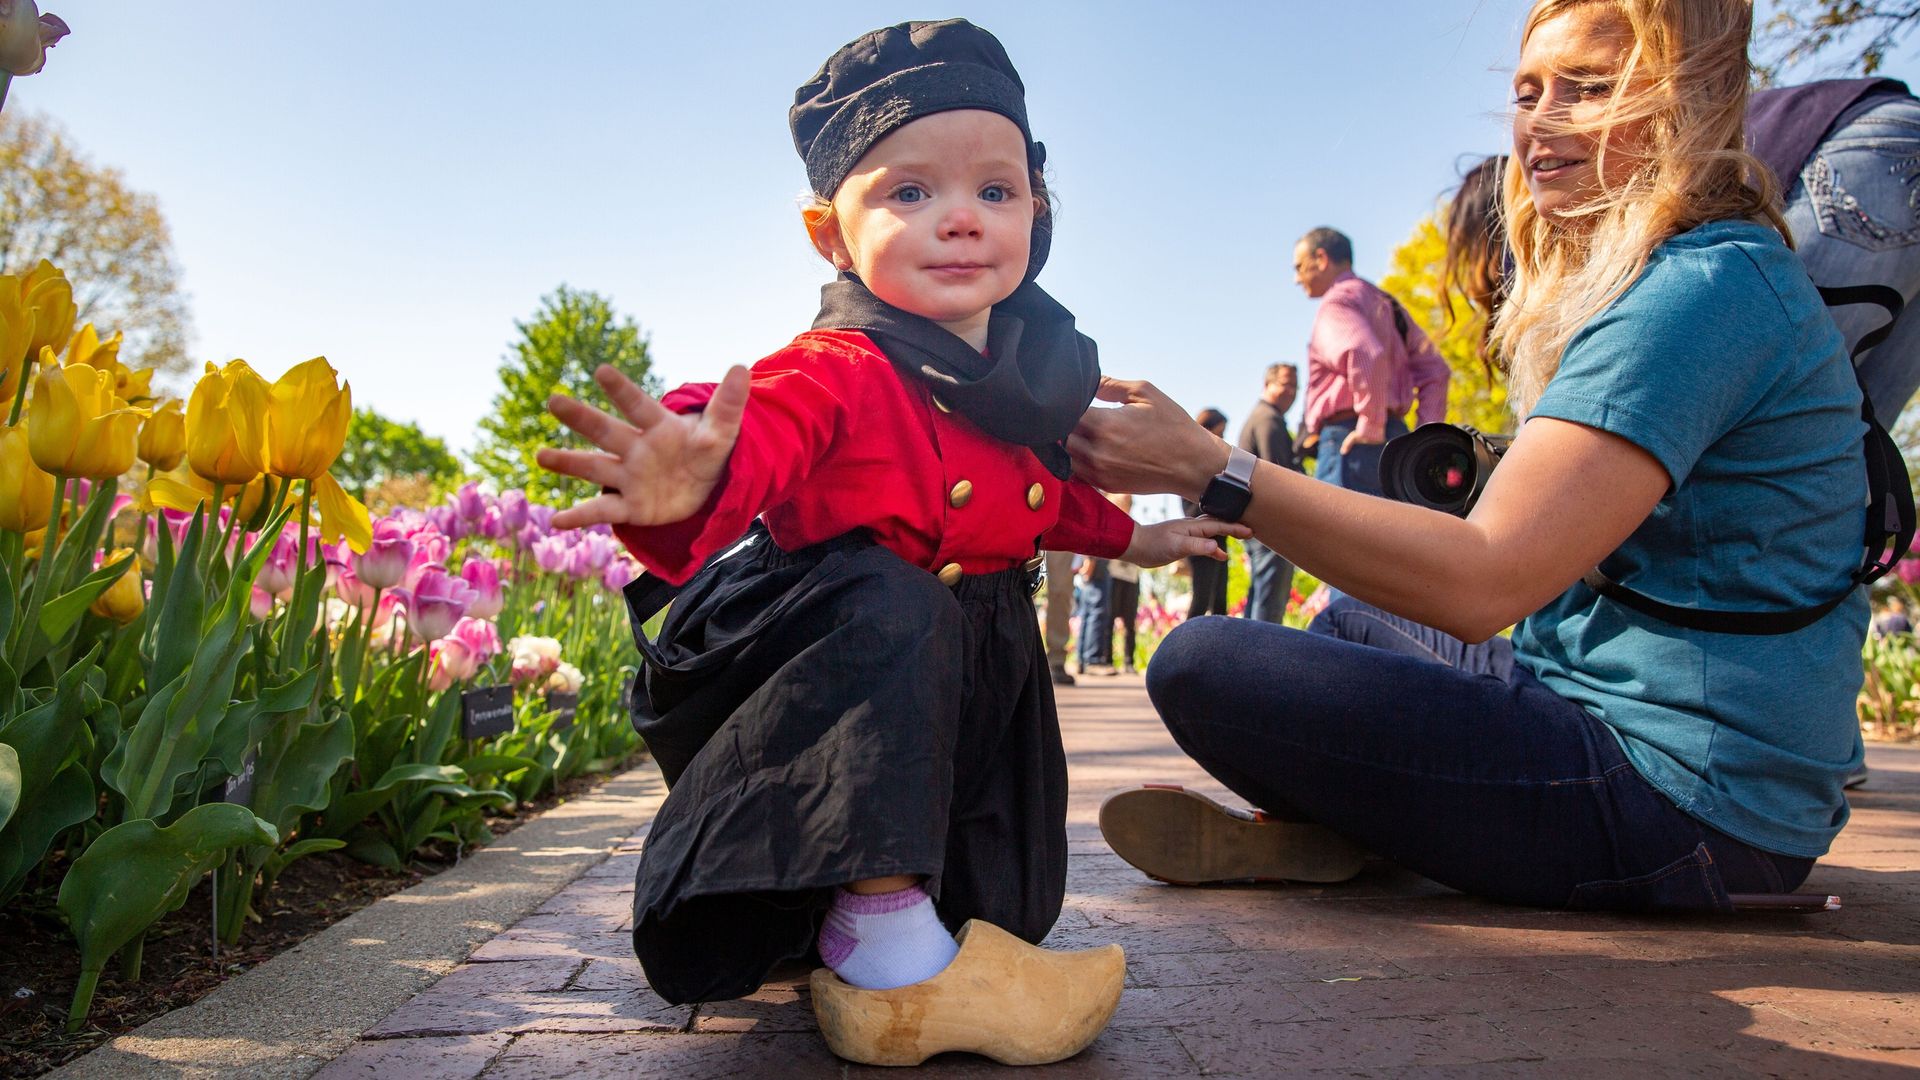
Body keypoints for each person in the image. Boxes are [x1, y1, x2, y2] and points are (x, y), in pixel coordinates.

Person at [534, 19, 1242, 1067]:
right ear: (830, 233)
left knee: (1016, 899)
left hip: (974, 670)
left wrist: (1138, 543)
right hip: (843, 671)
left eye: (994, 193)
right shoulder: (841, 365)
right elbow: (760, 421)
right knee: (897, 602)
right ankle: (885, 953)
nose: (960, 220)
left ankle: (855, 909)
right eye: (910, 193)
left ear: (1035, 212)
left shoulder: (1021, 385)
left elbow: (1039, 497)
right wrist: (694, 469)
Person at [1074, 0, 1867, 914]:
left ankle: (1361, 828)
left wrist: (1210, 468)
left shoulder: (1699, 289)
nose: (1542, 121)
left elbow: (1483, 582)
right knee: (1349, 615)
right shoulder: (1687, 275)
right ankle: (1363, 828)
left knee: (1202, 663)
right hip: (1600, 707)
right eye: (1530, 93)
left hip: (1691, 809)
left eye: (1592, 88)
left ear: (1689, 102)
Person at [1444, 77, 1920, 422]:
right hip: (1885, 124)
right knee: (1848, 456)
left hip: (1849, 156)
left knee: (1746, 429)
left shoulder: (1543, 218)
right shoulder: (1609, 165)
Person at [1294, 227, 1452, 496]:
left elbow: (1364, 352)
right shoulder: (1388, 304)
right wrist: (1423, 438)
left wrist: (1370, 424)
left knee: (1337, 535)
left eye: (1299, 267)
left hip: (1351, 441)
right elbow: (1436, 370)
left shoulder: (1336, 303)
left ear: (1321, 259)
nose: (1297, 279)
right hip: (1397, 441)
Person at [1238, 363, 1300, 622]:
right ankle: (1257, 659)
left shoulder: (1263, 418)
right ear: (1267, 385)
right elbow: (1278, 478)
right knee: (1269, 602)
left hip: (1255, 523)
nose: (1291, 392)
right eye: (1285, 384)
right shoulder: (1268, 420)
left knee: (1261, 595)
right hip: (1269, 526)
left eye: (1295, 386)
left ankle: (1247, 656)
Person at [1182, 408, 1233, 618]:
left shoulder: (1218, 464)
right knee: (1201, 601)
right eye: (1218, 434)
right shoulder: (1191, 464)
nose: (1221, 440)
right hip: (1201, 541)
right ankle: (1186, 648)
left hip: (1219, 539)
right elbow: (1193, 509)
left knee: (1220, 602)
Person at [1106, 492, 1144, 673]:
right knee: (1109, 618)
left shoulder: (1136, 525)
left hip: (1131, 577)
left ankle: (1129, 660)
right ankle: (1106, 658)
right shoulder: (1107, 523)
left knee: (1130, 621)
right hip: (1113, 576)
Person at [1073, 554, 1115, 675]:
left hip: (1093, 566)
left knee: (1088, 615)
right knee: (1097, 614)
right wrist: (1089, 561)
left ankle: (1082, 660)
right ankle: (1092, 660)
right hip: (1097, 566)